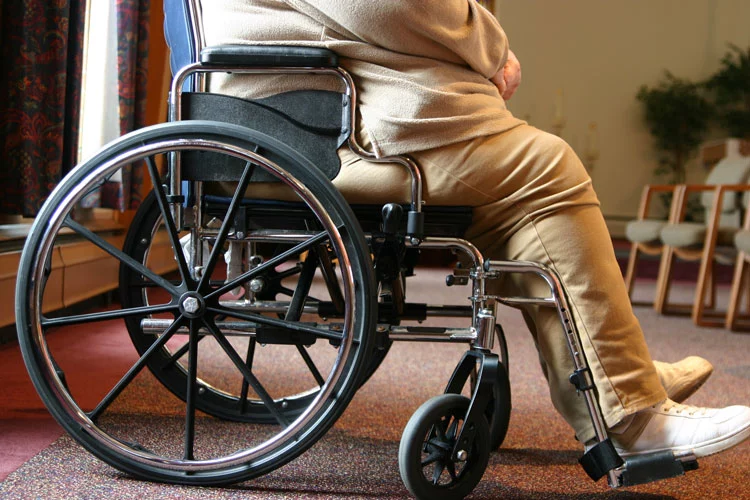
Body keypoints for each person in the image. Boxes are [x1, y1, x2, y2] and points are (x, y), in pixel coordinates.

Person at [201, 0, 750, 459]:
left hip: (294, 117)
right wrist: (493, 45)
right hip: (309, 132)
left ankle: (614, 376)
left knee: (512, 194)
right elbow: (393, 5)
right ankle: (627, 410)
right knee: (546, 168)